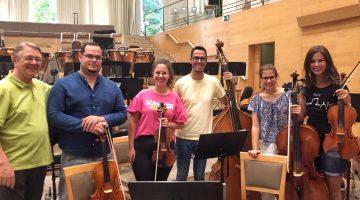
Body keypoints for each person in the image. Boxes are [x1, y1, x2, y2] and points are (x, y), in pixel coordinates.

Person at [47, 42, 127, 200]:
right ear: (80, 57)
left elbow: (122, 113)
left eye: (98, 57)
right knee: (70, 197)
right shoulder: (62, 84)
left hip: (104, 154)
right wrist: (85, 125)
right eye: (90, 56)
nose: (94, 60)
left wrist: (103, 119)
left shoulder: (112, 87)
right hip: (74, 155)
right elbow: (54, 115)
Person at [0, 42, 53, 200]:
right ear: (14, 59)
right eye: (28, 58)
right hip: (13, 167)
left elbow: (66, 93)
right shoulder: (3, 89)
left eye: (38, 59)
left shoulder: (41, 87)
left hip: (38, 163)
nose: (34, 63)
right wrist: (2, 165)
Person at [299, 45, 351, 200]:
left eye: (320, 60)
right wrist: (297, 103)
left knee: (334, 189)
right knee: (314, 187)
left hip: (333, 143)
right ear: (308, 64)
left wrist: (347, 100)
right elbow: (301, 117)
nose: (316, 64)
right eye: (312, 61)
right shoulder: (306, 87)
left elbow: (349, 116)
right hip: (311, 143)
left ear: (327, 62)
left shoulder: (338, 86)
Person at [174, 46, 233, 181]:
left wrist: (231, 82)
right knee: (181, 176)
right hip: (183, 136)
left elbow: (227, 102)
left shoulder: (213, 82)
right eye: (196, 58)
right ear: (191, 60)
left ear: (206, 61)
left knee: (200, 177)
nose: (199, 61)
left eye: (202, 58)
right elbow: (173, 109)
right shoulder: (180, 83)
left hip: (203, 137)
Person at [247, 64, 301, 200]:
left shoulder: (289, 95)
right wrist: (255, 148)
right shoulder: (256, 99)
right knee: (266, 184)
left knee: (287, 182)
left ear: (276, 77)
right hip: (266, 144)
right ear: (261, 79)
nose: (269, 81)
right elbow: (255, 126)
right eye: (265, 78)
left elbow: (298, 120)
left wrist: (298, 112)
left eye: (271, 77)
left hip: (287, 143)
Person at [128, 59, 187, 181]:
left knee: (160, 184)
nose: (161, 76)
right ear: (153, 74)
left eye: (164, 73)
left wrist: (169, 123)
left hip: (166, 147)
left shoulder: (174, 97)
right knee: (144, 184)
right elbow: (132, 120)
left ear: (169, 75)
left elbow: (181, 123)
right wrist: (131, 147)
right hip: (143, 144)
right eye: (157, 72)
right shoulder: (143, 94)